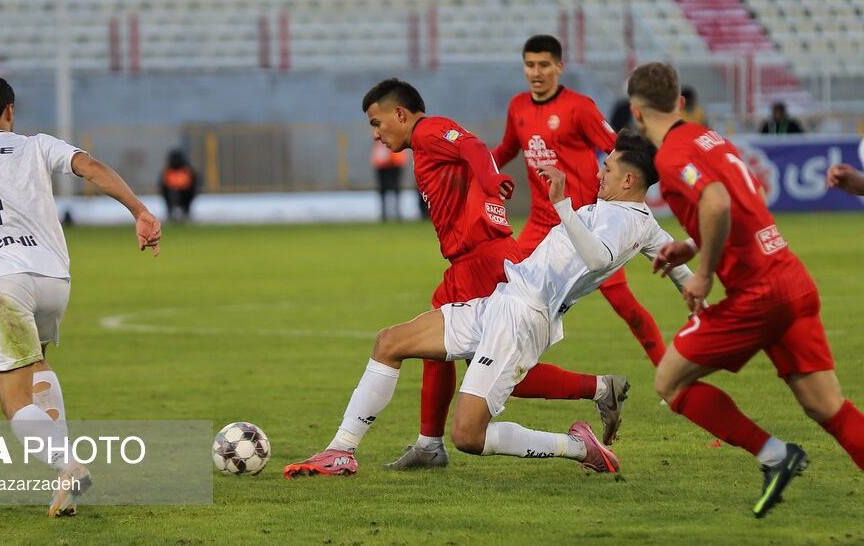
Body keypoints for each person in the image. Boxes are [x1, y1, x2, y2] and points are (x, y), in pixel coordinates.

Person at [283, 131, 693, 478]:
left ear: (629, 180)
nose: (600, 173)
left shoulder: (622, 222)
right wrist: (699, 302)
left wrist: (563, 204)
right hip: (503, 298)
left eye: (609, 169)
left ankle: (576, 447)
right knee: (390, 341)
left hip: (522, 318)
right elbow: (676, 265)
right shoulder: (641, 222)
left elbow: (600, 258)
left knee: (467, 436)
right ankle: (342, 451)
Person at [0, 75, 162, 517]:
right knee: (37, 365)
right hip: (52, 281)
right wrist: (139, 211)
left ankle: (67, 465)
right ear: (10, 111)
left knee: (12, 395)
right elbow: (91, 167)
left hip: (0, 287)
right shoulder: (36, 145)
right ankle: (63, 488)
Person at [351, 80, 631, 472]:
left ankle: (600, 390)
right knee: (443, 349)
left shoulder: (430, 130)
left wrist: (487, 179)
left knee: (498, 373)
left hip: (486, 263)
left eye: (376, 123)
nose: (375, 134)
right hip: (468, 264)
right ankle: (430, 443)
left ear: (400, 113)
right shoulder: (425, 145)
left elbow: (474, 147)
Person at [627, 62, 864, 518]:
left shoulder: (673, 157)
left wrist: (705, 271)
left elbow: (716, 201)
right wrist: (692, 245)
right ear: (679, 103)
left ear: (637, 113)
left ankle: (775, 456)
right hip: (791, 278)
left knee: (669, 382)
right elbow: (746, 191)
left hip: (758, 295)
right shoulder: (710, 138)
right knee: (826, 406)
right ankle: (779, 456)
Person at [492, 37, 665, 363]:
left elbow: (621, 152)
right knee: (504, 289)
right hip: (540, 224)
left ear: (559, 66)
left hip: (587, 228)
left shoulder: (579, 107)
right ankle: (498, 368)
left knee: (626, 307)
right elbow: (507, 148)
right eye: (530, 64)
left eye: (544, 64)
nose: (536, 72)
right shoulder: (518, 106)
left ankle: (671, 379)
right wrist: (479, 170)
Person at [160, 149, 200, 222]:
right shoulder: (168, 171)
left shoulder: (187, 170)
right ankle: (171, 213)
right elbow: (163, 185)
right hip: (171, 193)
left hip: (186, 193)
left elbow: (193, 184)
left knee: (187, 197)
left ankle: (186, 213)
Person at [372, 139, 407, 221]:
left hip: (392, 161)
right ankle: (388, 214)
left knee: (393, 189)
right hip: (385, 162)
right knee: (387, 189)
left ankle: (393, 213)